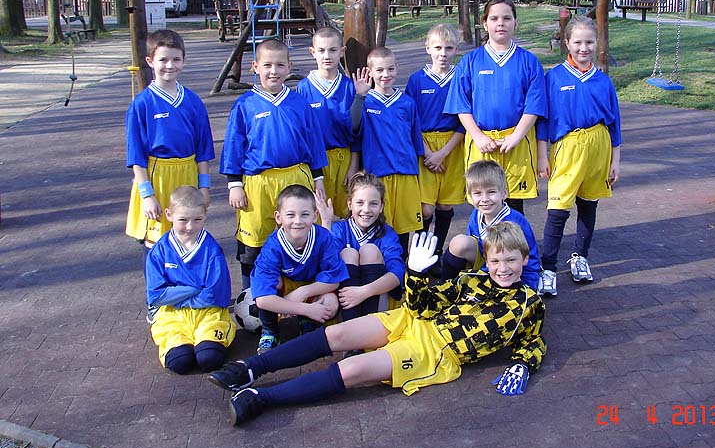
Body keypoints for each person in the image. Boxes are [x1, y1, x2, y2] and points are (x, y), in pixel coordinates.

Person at [207, 223, 547, 426]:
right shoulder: (470, 280)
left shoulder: (529, 303)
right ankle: (249, 369)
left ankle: (261, 398)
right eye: (496, 260)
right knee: (337, 333)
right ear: (487, 260)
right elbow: (422, 305)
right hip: (413, 319)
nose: (503, 268)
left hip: (435, 351)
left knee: (354, 369)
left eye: (511, 260)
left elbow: (532, 341)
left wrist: (524, 364)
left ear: (525, 258)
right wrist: (416, 274)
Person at [220, 39, 328, 292]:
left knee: (299, 236)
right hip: (258, 182)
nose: (273, 71)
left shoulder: (299, 102)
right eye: (267, 65)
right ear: (255, 66)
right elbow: (234, 146)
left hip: (295, 177)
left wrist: (318, 178)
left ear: (289, 67)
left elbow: (313, 142)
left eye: (280, 65)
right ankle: (252, 299)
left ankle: (299, 296)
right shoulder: (245, 105)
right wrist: (234, 184)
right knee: (254, 240)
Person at [535, 15, 621, 296]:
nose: (584, 48)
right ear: (567, 43)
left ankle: (580, 256)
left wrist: (615, 161)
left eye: (589, 42)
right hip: (568, 146)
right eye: (578, 42)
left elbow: (614, 123)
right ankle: (548, 268)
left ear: (597, 43)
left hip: (598, 145)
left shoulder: (603, 81)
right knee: (558, 208)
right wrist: (543, 155)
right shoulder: (554, 78)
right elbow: (543, 121)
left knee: (588, 204)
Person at [444, 0, 547, 215]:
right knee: (483, 202)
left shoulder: (529, 62)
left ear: (516, 23)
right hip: (482, 142)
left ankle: (515, 239)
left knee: (514, 204)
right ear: (485, 23)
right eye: (494, 18)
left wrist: (516, 136)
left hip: (516, 142)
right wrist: (478, 137)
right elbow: (461, 105)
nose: (501, 23)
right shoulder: (470, 61)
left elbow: (534, 106)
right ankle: (482, 239)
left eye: (507, 18)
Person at [125, 29, 214, 248]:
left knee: (188, 236)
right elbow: (136, 155)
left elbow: (203, 149)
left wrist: (204, 187)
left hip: (188, 174)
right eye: (163, 60)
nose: (170, 65)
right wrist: (147, 195)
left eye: (176, 59)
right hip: (158, 177)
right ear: (150, 61)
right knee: (157, 241)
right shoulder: (142, 104)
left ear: (184, 60)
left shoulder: (193, 101)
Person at [145, 186, 235, 374]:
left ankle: (207, 341)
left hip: (208, 313)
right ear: (169, 215)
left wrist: (177, 296)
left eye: (197, 220)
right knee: (180, 362)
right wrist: (194, 288)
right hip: (173, 315)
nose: (190, 227)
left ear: (205, 215)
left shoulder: (211, 250)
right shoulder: (159, 251)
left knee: (209, 358)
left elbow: (215, 295)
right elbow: (156, 295)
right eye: (183, 220)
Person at [250, 184, 349, 353]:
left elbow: (334, 280)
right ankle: (270, 331)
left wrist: (303, 292)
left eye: (305, 214)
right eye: (290, 215)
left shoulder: (323, 237)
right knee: (270, 286)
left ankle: (307, 321)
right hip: (285, 290)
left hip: (311, 288)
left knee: (331, 304)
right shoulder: (272, 247)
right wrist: (305, 308)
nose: (298, 221)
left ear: (315, 216)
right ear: (278, 217)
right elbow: (263, 299)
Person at [350, 46, 425, 253]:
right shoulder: (365, 101)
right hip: (378, 175)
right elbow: (353, 127)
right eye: (380, 70)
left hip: (406, 175)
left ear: (397, 68)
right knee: (379, 226)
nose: (386, 74)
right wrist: (359, 96)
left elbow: (415, 139)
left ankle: (401, 267)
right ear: (370, 72)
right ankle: (379, 266)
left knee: (403, 229)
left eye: (390, 69)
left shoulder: (407, 103)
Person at [404, 24, 465, 263]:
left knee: (445, 206)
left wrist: (443, 153)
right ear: (427, 48)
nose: (443, 53)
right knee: (425, 207)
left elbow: (465, 120)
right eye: (438, 48)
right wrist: (429, 153)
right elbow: (410, 120)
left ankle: (436, 253)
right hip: (425, 146)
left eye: (449, 48)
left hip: (452, 145)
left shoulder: (461, 77)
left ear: (456, 49)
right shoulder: (417, 80)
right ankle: (420, 254)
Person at [317, 172, 405, 323]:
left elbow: (397, 274)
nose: (366, 209)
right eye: (360, 203)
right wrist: (326, 222)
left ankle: (369, 326)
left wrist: (364, 292)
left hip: (376, 299)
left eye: (373, 204)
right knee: (348, 253)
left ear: (382, 207)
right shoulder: (339, 229)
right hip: (345, 301)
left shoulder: (387, 234)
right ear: (349, 204)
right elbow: (326, 264)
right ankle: (351, 327)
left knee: (369, 250)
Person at [440, 160, 541, 290]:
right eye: (477, 193)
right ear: (470, 195)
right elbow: (471, 243)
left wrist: (528, 287)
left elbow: (529, 260)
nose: (485, 199)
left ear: (504, 193)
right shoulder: (477, 214)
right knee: (460, 243)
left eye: (491, 192)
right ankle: (447, 287)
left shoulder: (515, 222)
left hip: (509, 270)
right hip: (488, 265)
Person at [296, 27, 359, 218]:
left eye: (332, 50)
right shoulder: (303, 88)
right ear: (313, 52)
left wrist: (353, 166)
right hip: (316, 160)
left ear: (342, 51)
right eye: (321, 50)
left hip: (344, 158)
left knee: (347, 210)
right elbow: (302, 132)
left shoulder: (349, 86)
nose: (327, 56)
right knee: (317, 211)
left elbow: (358, 131)